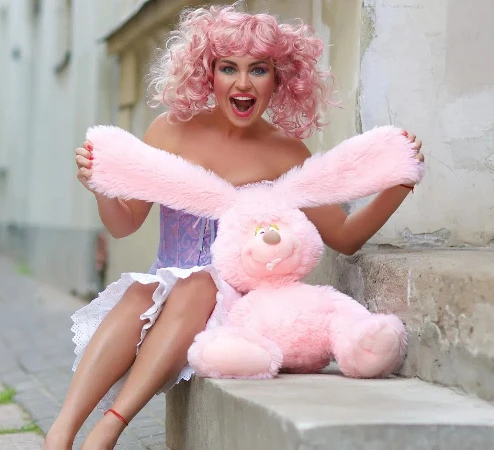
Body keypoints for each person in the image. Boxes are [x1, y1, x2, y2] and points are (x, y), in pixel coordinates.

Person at [43, 4, 425, 450]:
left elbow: (345, 236)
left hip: (238, 308)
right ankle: (60, 435)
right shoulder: (170, 131)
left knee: (199, 286)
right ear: (209, 74)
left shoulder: (287, 154)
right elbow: (125, 226)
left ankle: (109, 429)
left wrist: (400, 182)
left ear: (279, 79)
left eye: (258, 70)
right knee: (143, 290)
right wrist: (100, 187)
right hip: (163, 289)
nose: (243, 83)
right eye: (229, 68)